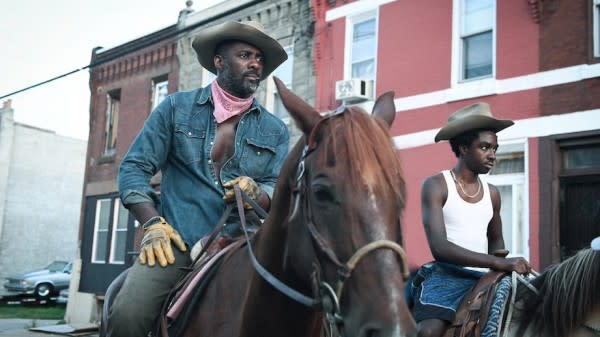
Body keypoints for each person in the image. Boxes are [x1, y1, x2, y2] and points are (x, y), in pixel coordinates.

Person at [107, 21, 290, 337]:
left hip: (245, 245)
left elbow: (278, 188)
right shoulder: (176, 108)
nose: (255, 64)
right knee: (127, 314)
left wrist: (257, 192)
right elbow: (133, 169)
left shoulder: (276, 130)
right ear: (219, 62)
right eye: (245, 55)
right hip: (178, 242)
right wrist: (153, 225)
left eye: (260, 59)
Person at [409, 102, 532, 337]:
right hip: (446, 276)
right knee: (429, 332)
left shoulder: (492, 193)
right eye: (485, 147)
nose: (493, 155)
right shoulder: (436, 185)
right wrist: (497, 263)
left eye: (495, 148)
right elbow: (439, 247)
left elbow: (497, 244)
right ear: (464, 147)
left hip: (484, 279)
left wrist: (504, 268)